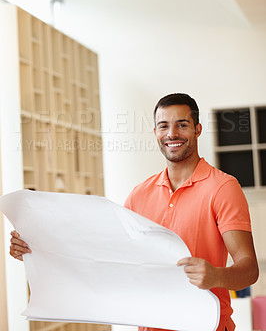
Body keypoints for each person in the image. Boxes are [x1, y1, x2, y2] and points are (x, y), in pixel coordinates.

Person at [10, 93, 259, 331]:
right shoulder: (139, 195)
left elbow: (249, 270)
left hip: (208, 325)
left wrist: (215, 276)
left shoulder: (223, 187)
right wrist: (37, 250)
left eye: (182, 125)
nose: (172, 133)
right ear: (155, 132)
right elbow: (103, 257)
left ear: (198, 129)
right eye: (163, 126)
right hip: (150, 327)